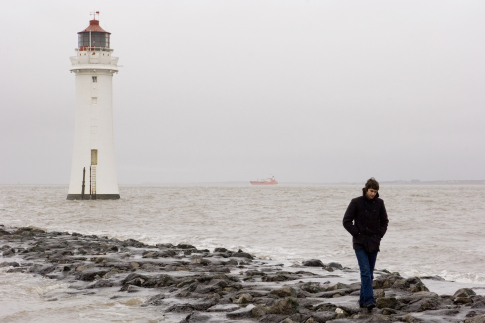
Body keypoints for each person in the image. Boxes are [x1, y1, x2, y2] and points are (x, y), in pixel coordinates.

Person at [343, 177, 389, 311]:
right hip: (359, 243)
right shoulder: (356, 202)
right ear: (366, 189)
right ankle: (370, 300)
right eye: (371, 191)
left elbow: (385, 222)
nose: (372, 194)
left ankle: (363, 300)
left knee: (370, 273)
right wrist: (356, 234)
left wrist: (380, 235)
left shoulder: (380, 203)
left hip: (374, 243)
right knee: (365, 272)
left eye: (375, 191)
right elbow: (346, 221)